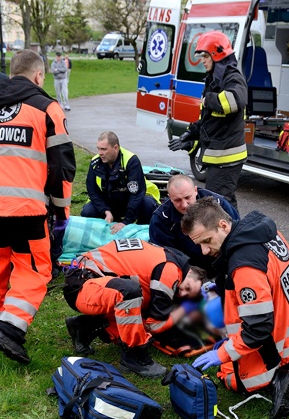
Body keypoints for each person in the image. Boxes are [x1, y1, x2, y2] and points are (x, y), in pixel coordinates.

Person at [0, 49, 76, 364]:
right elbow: (63, 167)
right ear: (39, 76)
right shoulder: (46, 109)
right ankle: (10, 331)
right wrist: (61, 212)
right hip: (27, 209)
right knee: (35, 270)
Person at [182, 198, 289, 419]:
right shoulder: (261, 230)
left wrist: (222, 353)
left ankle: (279, 377)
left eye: (207, 241)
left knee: (233, 378)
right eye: (199, 244)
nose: (204, 251)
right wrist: (225, 283)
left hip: (281, 333)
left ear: (223, 225)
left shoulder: (244, 266)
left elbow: (258, 329)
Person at [64, 239, 206, 377]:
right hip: (83, 286)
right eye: (187, 287)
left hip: (84, 279)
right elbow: (155, 325)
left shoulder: (167, 256)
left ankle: (83, 327)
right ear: (190, 271)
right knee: (129, 294)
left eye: (185, 295)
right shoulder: (170, 271)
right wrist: (181, 312)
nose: (181, 292)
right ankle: (135, 356)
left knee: (136, 305)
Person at [168, 31, 247, 208]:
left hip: (227, 158)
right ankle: (233, 234)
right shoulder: (214, 80)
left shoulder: (233, 78)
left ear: (217, 55)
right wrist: (190, 135)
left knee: (217, 206)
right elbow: (209, 121)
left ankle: (231, 235)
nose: (202, 60)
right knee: (222, 204)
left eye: (205, 55)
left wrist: (208, 99)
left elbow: (235, 101)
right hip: (218, 157)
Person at [149, 174, 239, 272]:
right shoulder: (160, 220)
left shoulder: (218, 204)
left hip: (223, 262)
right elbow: (163, 256)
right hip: (188, 270)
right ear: (169, 197)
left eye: (187, 197)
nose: (184, 205)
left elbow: (237, 233)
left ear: (195, 190)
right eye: (177, 200)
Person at [82, 132, 158, 227]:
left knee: (148, 205)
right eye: (98, 149)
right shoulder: (95, 163)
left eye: (104, 149)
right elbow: (93, 192)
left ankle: (141, 232)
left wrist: (126, 222)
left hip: (129, 200)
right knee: (87, 211)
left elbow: (136, 194)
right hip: (109, 202)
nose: (100, 153)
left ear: (115, 148)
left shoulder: (131, 161)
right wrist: (105, 211)